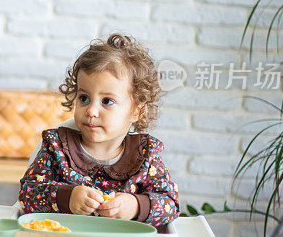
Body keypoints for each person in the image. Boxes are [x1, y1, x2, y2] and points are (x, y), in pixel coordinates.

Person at [18, 33, 179, 227]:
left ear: (136, 111)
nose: (91, 111)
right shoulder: (57, 148)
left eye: (107, 101)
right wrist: (67, 198)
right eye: (84, 98)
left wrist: (136, 206)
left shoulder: (145, 156)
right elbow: (28, 194)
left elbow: (170, 205)